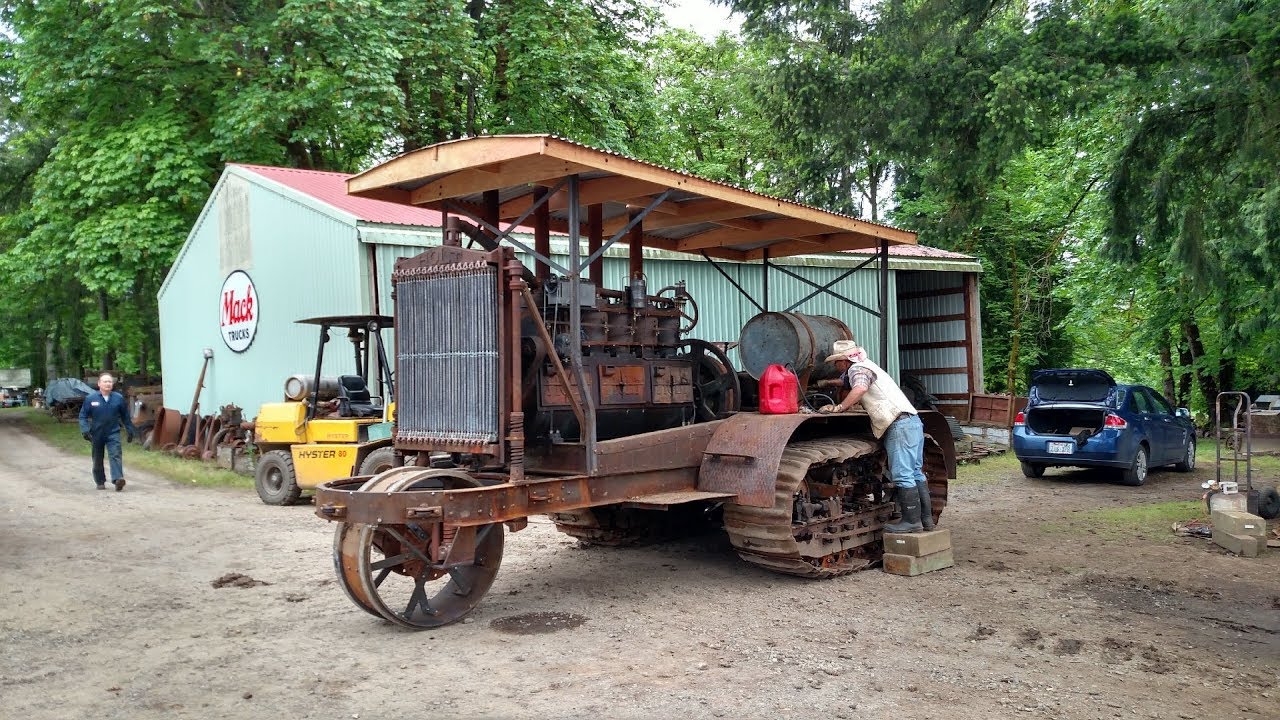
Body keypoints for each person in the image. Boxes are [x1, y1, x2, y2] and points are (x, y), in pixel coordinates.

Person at [816, 340, 932, 533]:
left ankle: (912, 522)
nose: (835, 366)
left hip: (898, 424)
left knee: (902, 474)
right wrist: (827, 382)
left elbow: (859, 387)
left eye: (836, 362)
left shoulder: (858, 370)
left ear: (844, 361)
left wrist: (840, 407)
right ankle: (926, 520)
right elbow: (848, 382)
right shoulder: (866, 366)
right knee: (915, 472)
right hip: (911, 422)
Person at [78, 372, 137, 491]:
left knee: (115, 454)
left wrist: (130, 430)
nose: (108, 384)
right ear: (99, 384)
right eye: (105, 381)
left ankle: (117, 479)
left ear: (112, 384)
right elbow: (83, 416)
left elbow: (125, 416)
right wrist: (85, 430)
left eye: (110, 381)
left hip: (113, 432)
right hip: (97, 433)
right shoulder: (91, 398)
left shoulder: (118, 398)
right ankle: (100, 481)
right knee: (97, 457)